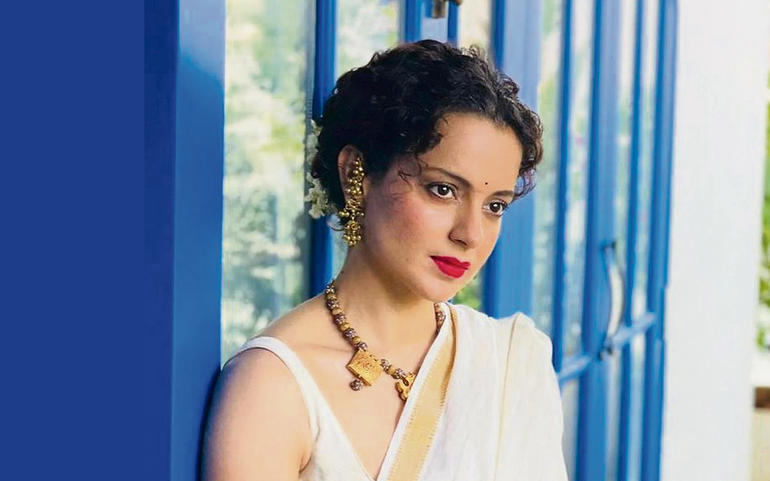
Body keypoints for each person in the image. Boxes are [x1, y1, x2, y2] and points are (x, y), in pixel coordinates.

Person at [201, 39, 568, 481]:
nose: (470, 234)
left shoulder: (512, 362)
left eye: (495, 206)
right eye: (443, 190)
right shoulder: (273, 387)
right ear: (355, 174)